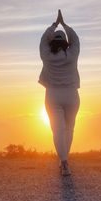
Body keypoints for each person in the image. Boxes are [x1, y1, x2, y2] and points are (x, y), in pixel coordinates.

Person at [38, 10, 80, 176]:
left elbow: (43, 39)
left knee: (57, 130)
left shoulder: (46, 55)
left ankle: (63, 162)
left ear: (51, 43)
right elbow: (75, 39)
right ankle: (65, 161)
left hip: (52, 95)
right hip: (71, 95)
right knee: (69, 129)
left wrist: (54, 25)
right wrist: (64, 25)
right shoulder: (72, 54)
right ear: (66, 43)